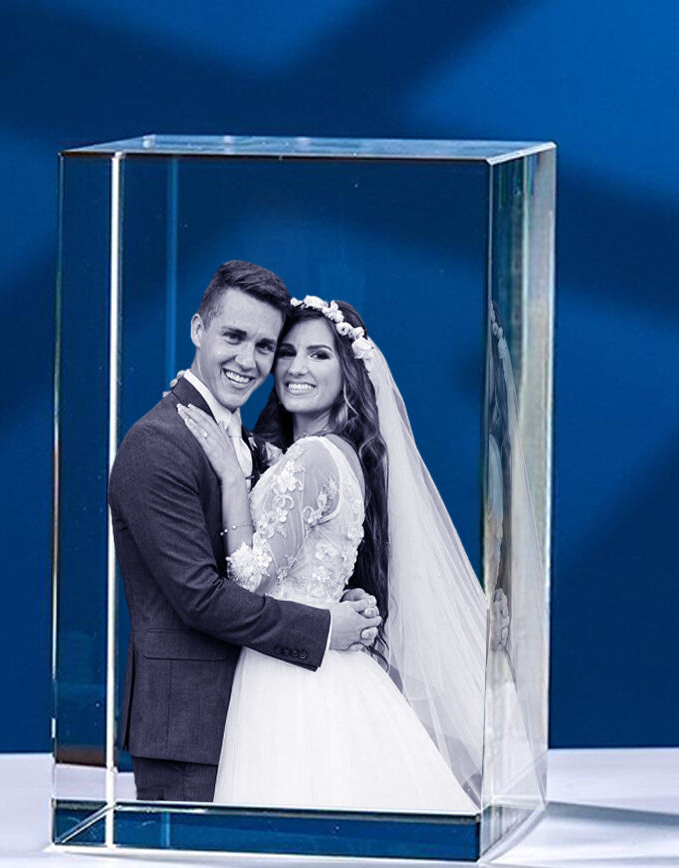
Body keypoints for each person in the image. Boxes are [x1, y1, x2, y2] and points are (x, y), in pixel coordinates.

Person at [177, 295, 487, 813]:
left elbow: (250, 580)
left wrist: (231, 478)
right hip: (317, 661)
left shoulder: (314, 457)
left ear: (348, 372)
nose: (296, 368)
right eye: (287, 352)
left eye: (318, 355)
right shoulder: (327, 454)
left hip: (292, 677)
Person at [108, 263, 381, 804]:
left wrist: (333, 593)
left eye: (264, 346)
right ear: (197, 329)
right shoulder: (157, 444)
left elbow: (276, 555)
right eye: (233, 337)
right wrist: (325, 624)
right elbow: (200, 598)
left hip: (268, 708)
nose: (248, 361)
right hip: (190, 727)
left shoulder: (254, 443)